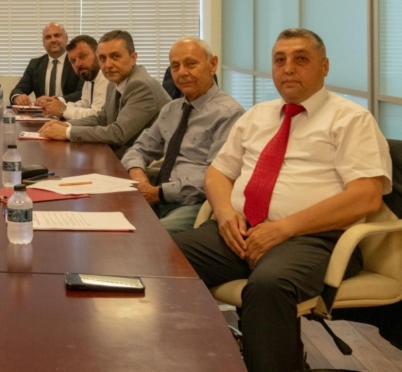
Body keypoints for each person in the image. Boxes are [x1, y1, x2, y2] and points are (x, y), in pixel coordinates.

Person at [174, 29, 391, 372]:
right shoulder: (257, 116)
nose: (288, 68)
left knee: (268, 287)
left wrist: (283, 228)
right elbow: (217, 173)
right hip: (240, 232)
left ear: (324, 66)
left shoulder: (351, 119)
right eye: (279, 60)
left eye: (301, 59)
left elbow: (365, 196)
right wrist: (225, 213)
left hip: (314, 239)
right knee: (164, 258)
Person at [121, 38, 244, 233]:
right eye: (175, 66)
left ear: (212, 64)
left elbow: (218, 176)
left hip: (194, 203)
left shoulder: (229, 114)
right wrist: (138, 175)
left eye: (191, 64)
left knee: (149, 237)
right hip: (155, 194)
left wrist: (160, 193)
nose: (182, 73)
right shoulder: (171, 109)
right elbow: (139, 149)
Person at [39, 29, 170, 158]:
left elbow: (118, 133)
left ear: (133, 58)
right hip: (126, 154)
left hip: (149, 162)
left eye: (115, 56)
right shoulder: (114, 82)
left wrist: (68, 132)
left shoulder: (141, 85)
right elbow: (102, 118)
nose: (108, 65)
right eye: (102, 58)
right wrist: (67, 125)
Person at [11, 23, 83, 106]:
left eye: (57, 35)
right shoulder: (35, 64)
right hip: (42, 112)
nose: (53, 40)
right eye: (48, 37)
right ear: (43, 42)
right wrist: (18, 97)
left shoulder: (78, 62)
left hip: (69, 111)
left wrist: (57, 100)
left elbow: (82, 93)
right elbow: (19, 89)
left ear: (66, 38)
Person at [41, 35, 109, 120]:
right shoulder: (89, 78)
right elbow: (85, 104)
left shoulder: (106, 76)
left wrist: (63, 110)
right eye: (73, 61)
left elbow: (97, 115)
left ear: (98, 53)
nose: (77, 64)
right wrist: (58, 105)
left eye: (83, 56)